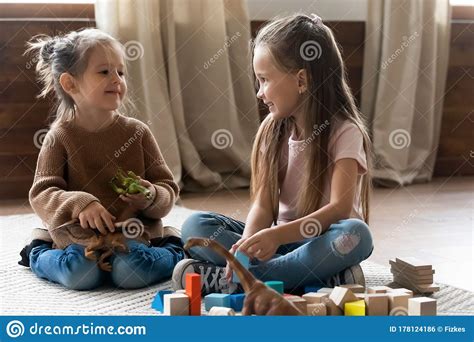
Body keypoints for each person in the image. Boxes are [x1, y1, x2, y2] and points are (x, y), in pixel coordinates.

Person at [173, 14, 374, 295]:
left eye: (264, 80)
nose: (259, 93)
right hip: (280, 245)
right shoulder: (272, 129)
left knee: (357, 235)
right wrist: (243, 248)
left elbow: (340, 208)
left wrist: (275, 236)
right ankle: (318, 279)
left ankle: (240, 280)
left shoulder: (345, 131)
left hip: (322, 240)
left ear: (301, 80)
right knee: (195, 225)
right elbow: (264, 206)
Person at [19, 28, 185, 290]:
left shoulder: (137, 132)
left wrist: (151, 195)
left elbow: (167, 188)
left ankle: (174, 246)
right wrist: (80, 204)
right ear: (70, 83)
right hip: (79, 238)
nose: (116, 79)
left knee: (130, 273)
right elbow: (42, 193)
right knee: (80, 275)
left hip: (132, 236)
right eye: (104, 72)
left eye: (120, 72)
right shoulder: (58, 137)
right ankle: (39, 250)